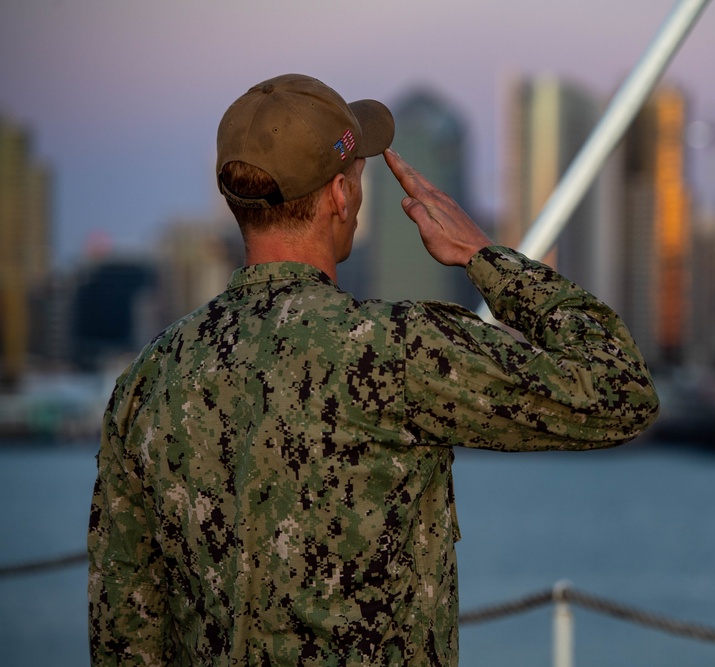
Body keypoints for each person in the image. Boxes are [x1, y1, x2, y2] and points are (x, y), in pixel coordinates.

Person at [88, 73, 659, 666]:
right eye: (358, 178)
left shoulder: (148, 379)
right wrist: (484, 257)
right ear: (339, 196)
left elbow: (123, 630)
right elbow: (620, 391)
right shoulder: (397, 351)